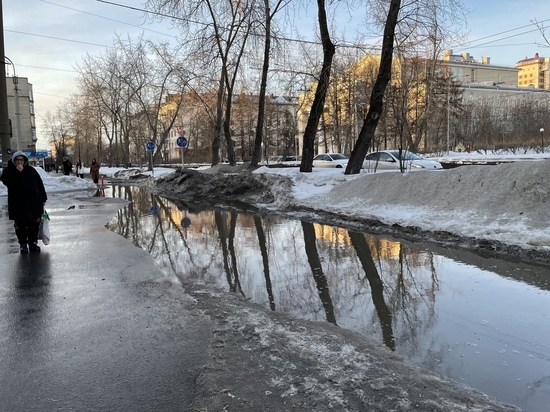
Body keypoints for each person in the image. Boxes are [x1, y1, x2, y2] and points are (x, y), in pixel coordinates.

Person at [0, 151, 47, 253]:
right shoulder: (9, 171)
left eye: (22, 160)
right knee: (20, 225)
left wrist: (43, 198)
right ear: (14, 161)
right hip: (18, 204)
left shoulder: (31, 170)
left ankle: (32, 243)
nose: (20, 162)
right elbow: (7, 182)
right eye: (18, 160)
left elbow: (39, 184)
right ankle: (23, 244)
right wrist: (18, 172)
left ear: (25, 161)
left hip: (33, 203)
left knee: (34, 225)